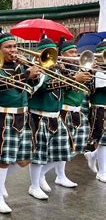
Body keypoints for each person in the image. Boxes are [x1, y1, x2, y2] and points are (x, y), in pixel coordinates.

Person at [0, 29, 39, 213]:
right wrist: (25, 76)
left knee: (24, 159)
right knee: (1, 160)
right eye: (8, 47)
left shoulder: (20, 65)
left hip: (21, 115)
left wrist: (34, 78)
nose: (13, 50)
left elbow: (27, 89)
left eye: (15, 46)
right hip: (0, 116)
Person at [38, 38, 92, 191]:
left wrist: (89, 70)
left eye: (76, 52)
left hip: (76, 111)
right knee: (64, 147)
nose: (75, 55)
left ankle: (60, 175)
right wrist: (72, 76)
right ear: (61, 54)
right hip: (64, 111)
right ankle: (40, 175)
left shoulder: (77, 68)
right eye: (71, 52)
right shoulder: (60, 69)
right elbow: (56, 87)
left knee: (72, 148)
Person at [27, 36, 75, 200]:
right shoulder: (36, 70)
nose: (53, 55)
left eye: (54, 52)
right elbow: (40, 88)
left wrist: (65, 72)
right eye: (49, 52)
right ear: (40, 53)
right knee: (39, 154)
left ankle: (41, 176)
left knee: (63, 151)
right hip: (39, 116)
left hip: (56, 116)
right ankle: (33, 186)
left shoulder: (56, 70)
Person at [87, 40, 106, 182]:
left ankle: (92, 156)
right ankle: (102, 172)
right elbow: (93, 89)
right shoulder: (94, 69)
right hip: (99, 108)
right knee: (102, 139)